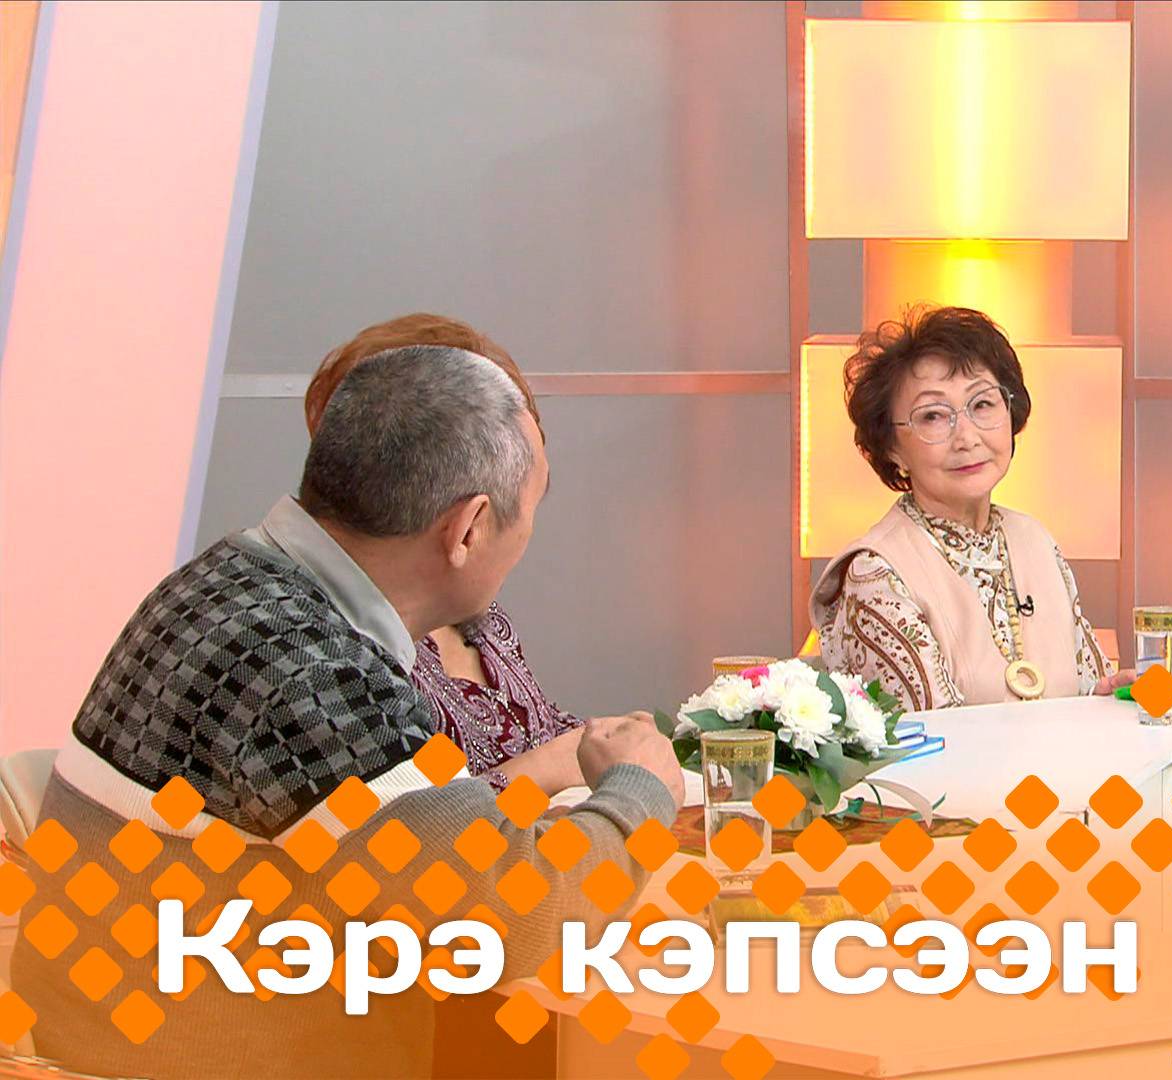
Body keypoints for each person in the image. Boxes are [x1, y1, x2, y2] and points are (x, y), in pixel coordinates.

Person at [13, 346, 684, 1078]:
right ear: (467, 530)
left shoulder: (228, 582)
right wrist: (639, 791)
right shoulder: (307, 672)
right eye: (532, 508)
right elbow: (510, 921)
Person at [305, 314, 606, 795]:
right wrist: (544, 771)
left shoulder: (479, 615)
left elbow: (551, 733)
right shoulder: (332, 652)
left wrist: (614, 745)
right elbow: (408, 826)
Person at [810, 306, 1131, 708]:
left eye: (982, 405)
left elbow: (1085, 691)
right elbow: (927, 737)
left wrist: (1109, 698)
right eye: (933, 416)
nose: (966, 437)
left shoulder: (1034, 540)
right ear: (892, 448)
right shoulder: (876, 573)